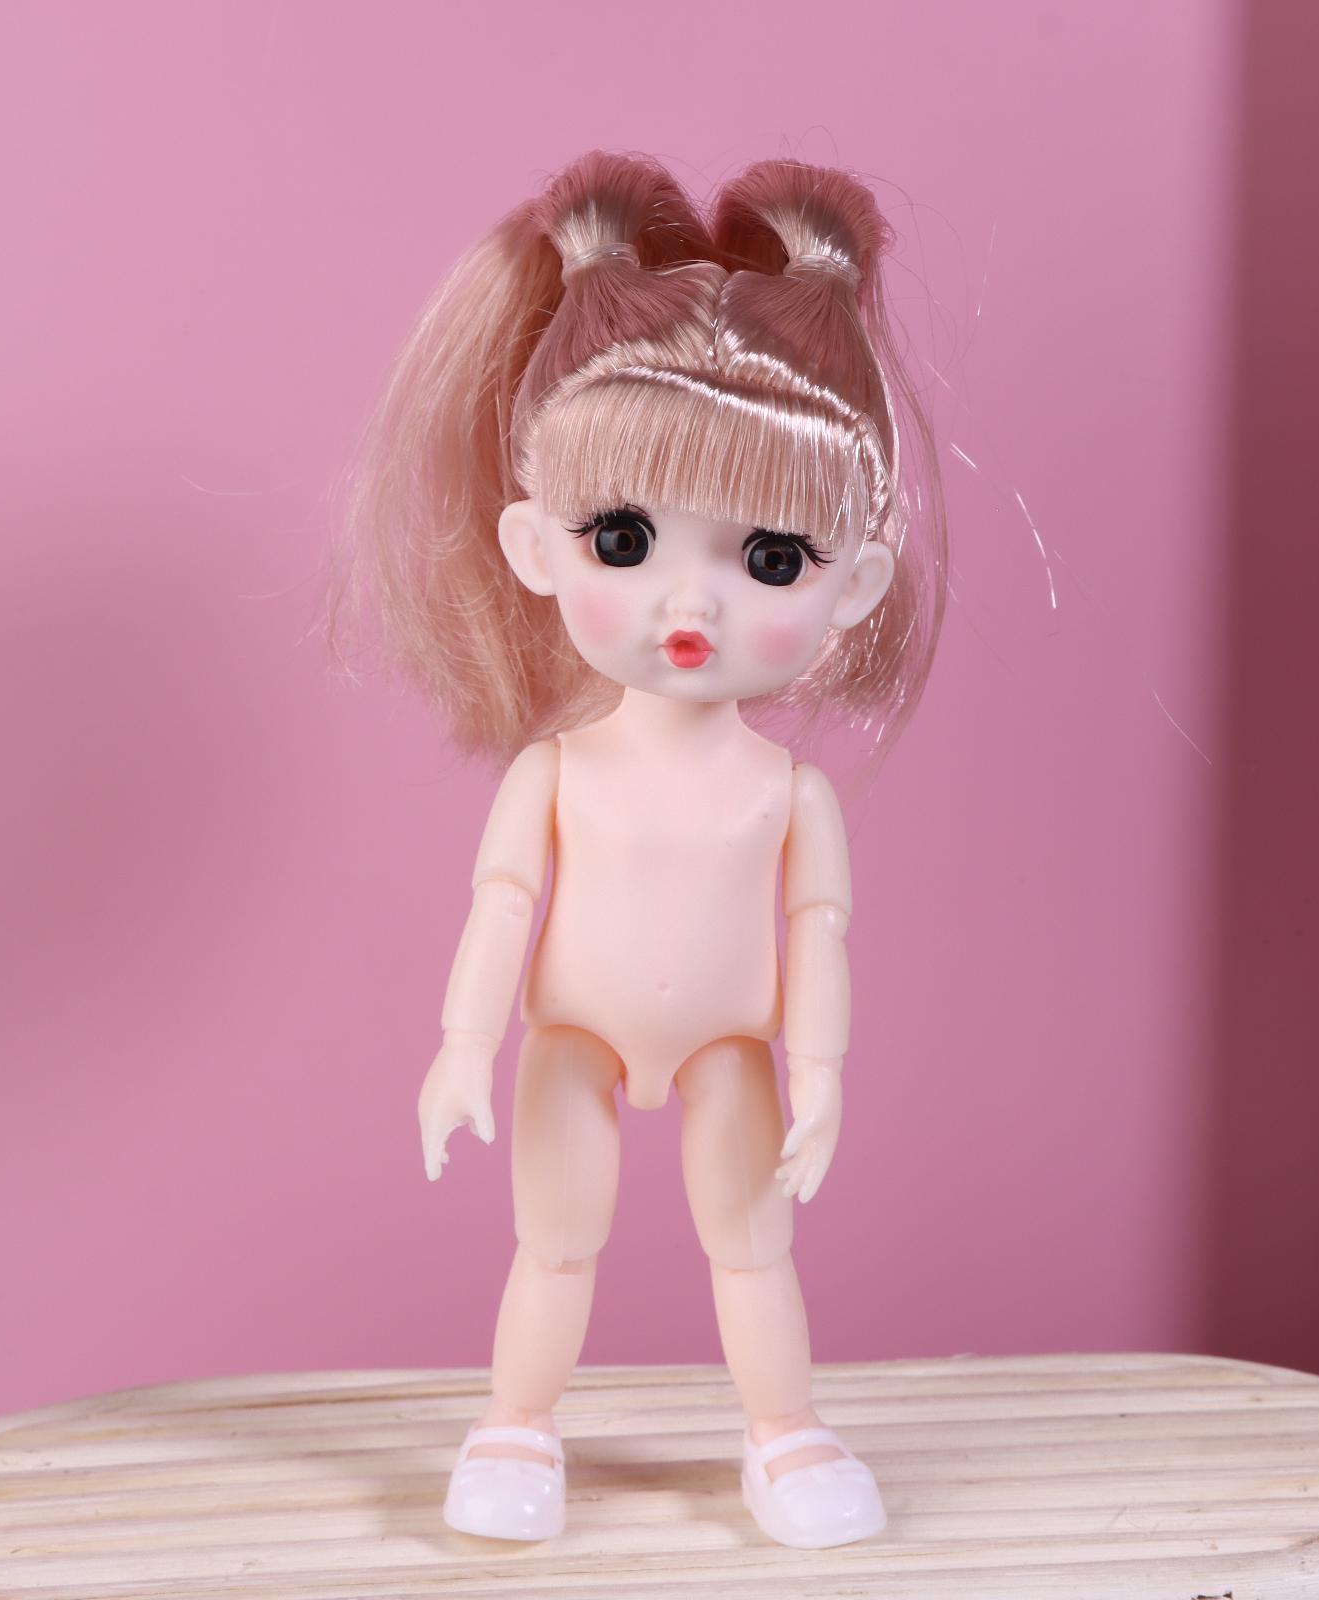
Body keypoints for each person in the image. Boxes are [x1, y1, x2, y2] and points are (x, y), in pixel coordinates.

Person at [331, 148, 946, 1549]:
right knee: (556, 1243)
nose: (690, 605)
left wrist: (821, 1076)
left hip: (732, 1047)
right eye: (625, 538)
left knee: (753, 1248)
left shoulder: (790, 796)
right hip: (572, 1038)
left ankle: (785, 1434)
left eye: (770, 559)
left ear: (854, 583)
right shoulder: (556, 772)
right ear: (535, 547)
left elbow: (819, 936)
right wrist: (459, 1047)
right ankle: (516, 1424)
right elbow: (502, 904)